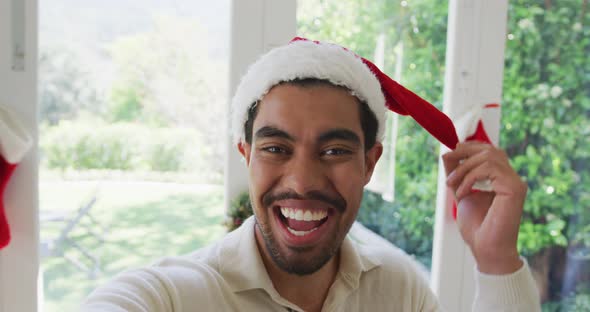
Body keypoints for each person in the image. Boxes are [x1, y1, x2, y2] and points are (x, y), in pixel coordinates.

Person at [81, 38, 540, 311]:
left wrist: (496, 260)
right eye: (276, 148)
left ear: (370, 163)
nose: (301, 181)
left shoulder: (400, 290)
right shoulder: (175, 295)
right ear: (246, 156)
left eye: (335, 149)